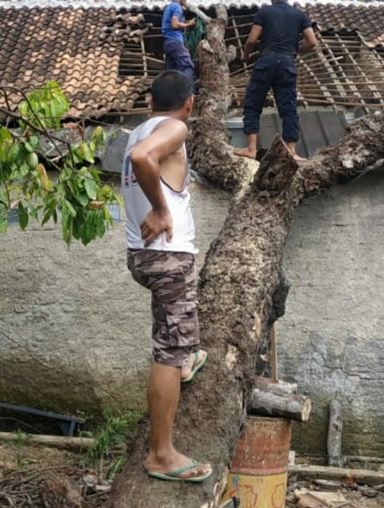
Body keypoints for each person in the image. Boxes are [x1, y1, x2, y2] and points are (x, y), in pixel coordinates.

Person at [122, 70, 212, 483]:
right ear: (189, 103)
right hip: (167, 256)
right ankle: (161, 454)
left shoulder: (136, 129)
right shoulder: (173, 127)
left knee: (178, 343)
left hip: (143, 255)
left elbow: (140, 156)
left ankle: (187, 356)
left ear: (150, 102)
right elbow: (145, 158)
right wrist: (161, 210)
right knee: (168, 354)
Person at [233, 0, 318, 161]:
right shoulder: (300, 15)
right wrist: (295, 50)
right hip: (287, 63)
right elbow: (312, 41)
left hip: (267, 60)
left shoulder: (265, 12)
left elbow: (252, 40)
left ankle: (251, 149)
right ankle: (291, 152)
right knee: (288, 108)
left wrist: (245, 56)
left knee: (253, 104)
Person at [161, 0, 197, 82]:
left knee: (171, 73)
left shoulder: (169, 7)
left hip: (168, 43)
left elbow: (172, 24)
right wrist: (189, 25)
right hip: (176, 42)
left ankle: (171, 95)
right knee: (187, 67)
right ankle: (187, 92)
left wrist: (187, 23)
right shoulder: (177, 7)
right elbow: (175, 24)